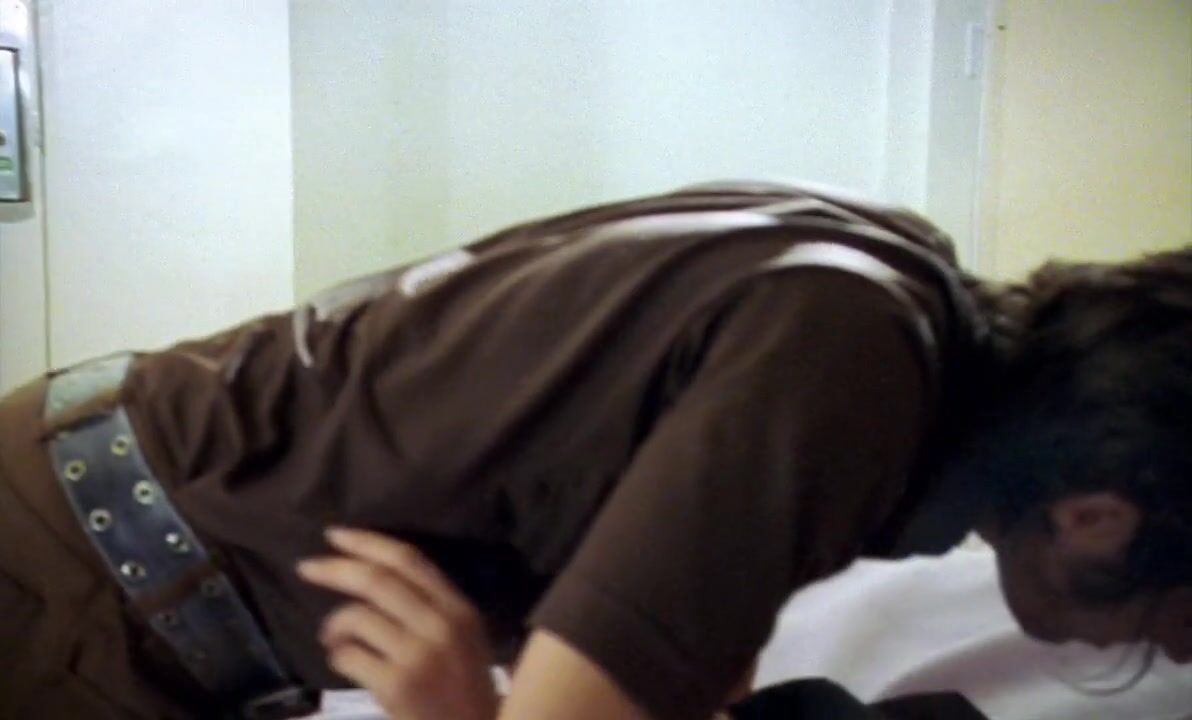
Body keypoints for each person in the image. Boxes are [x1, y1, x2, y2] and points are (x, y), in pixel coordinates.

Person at [0, 181, 1188, 719]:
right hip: (68, 586)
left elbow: (685, 631)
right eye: (1177, 616)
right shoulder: (853, 376)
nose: (1170, 651)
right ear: (1099, 517)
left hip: (116, 561)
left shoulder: (885, 291)